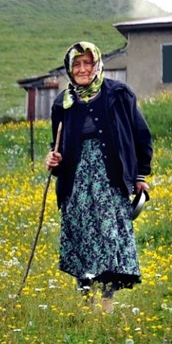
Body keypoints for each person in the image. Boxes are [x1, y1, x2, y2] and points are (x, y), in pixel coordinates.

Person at [44, 41, 153, 313]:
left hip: (110, 180)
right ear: (70, 69)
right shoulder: (63, 103)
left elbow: (140, 136)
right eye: (76, 64)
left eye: (87, 63)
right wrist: (53, 160)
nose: (82, 69)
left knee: (108, 238)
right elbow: (57, 148)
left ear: (97, 64)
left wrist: (140, 174)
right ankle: (86, 304)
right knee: (81, 237)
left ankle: (106, 303)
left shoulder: (118, 94)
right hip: (76, 183)